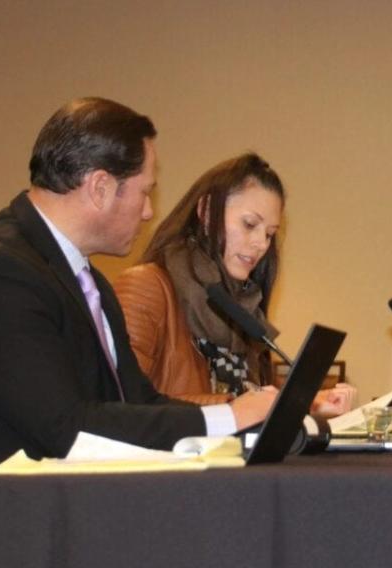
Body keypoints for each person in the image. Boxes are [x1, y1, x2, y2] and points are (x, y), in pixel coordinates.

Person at [0, 98, 322, 471]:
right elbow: (65, 429)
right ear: (100, 187)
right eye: (144, 192)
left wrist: (242, 420)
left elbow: (138, 402)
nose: (149, 212)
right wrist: (230, 419)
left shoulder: (86, 279)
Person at [112, 153, 354, 410]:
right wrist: (235, 409)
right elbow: (124, 404)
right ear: (206, 212)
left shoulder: (244, 307)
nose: (261, 244)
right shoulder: (146, 287)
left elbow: (256, 397)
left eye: (270, 234)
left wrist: (311, 405)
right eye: (250, 224)